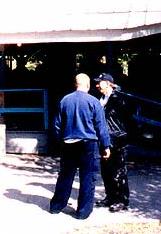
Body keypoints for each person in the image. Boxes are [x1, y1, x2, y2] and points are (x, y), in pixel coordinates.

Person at [49, 73, 111, 220]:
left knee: (65, 176)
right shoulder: (94, 102)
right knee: (87, 178)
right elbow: (100, 126)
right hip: (88, 144)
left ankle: (56, 206)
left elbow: (57, 125)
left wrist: (60, 141)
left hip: (69, 143)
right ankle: (82, 212)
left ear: (75, 84)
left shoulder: (65, 100)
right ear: (88, 85)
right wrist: (106, 145)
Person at [94, 73, 130, 213]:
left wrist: (122, 133)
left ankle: (122, 200)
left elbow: (127, 119)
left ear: (108, 83)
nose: (97, 85)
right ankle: (110, 196)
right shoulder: (101, 99)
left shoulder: (119, 99)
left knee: (119, 170)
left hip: (118, 138)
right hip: (105, 138)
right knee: (106, 170)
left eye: (100, 82)